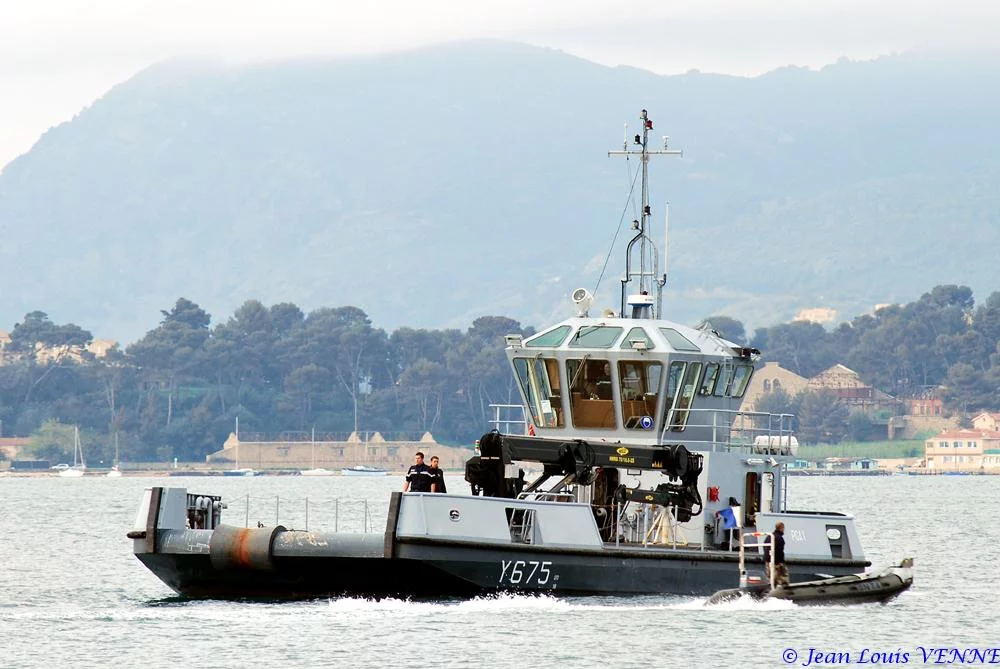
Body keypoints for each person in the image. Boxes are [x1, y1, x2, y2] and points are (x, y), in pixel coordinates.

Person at [771, 521, 789, 587]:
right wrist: (780, 562)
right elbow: (779, 551)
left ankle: (772, 587)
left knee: (772, 577)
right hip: (777, 561)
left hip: (769, 560)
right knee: (783, 575)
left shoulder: (770, 536)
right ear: (781, 528)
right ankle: (785, 588)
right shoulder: (779, 538)